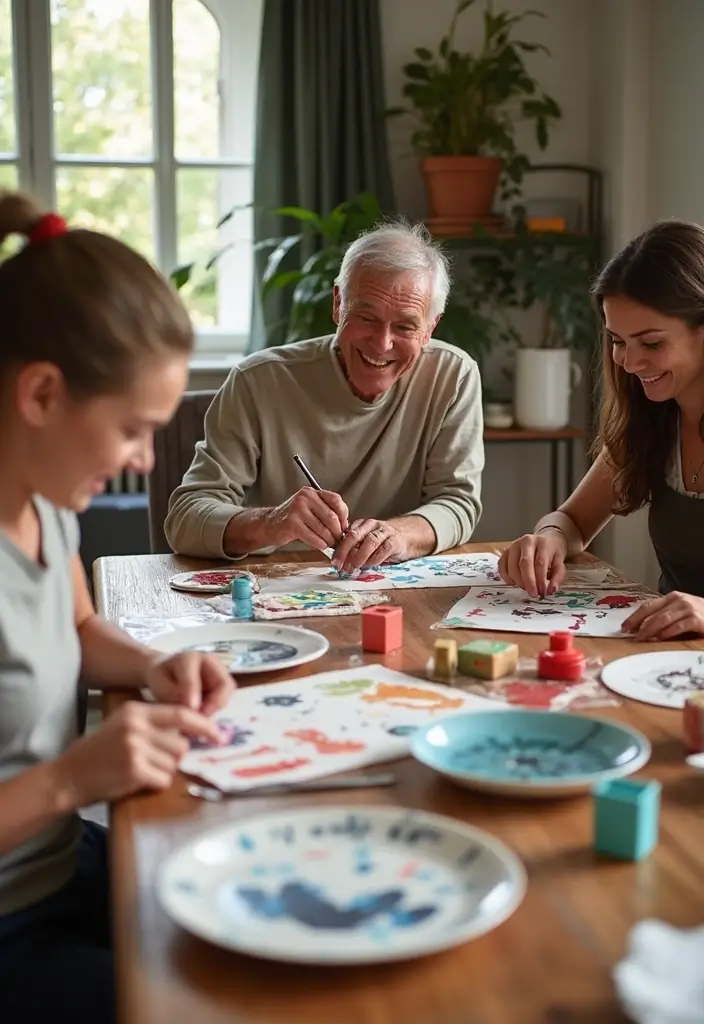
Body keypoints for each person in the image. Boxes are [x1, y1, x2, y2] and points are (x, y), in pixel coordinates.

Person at [0, 191, 236, 1024]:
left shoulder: (44, 499)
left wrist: (155, 665)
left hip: (58, 864)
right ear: (41, 394)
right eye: (135, 430)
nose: (143, 461)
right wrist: (71, 778)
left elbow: (76, 626)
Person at [164, 222, 485, 575]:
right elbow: (185, 519)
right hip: (272, 590)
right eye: (366, 317)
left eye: (405, 326)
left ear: (430, 329)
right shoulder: (258, 381)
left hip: (395, 593)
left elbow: (458, 503)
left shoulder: (453, 377)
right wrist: (271, 522)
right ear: (338, 304)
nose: (382, 344)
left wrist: (399, 535)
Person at [498, 219, 704, 641]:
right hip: (668, 661)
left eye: (650, 343)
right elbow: (572, 520)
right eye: (617, 340)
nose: (628, 363)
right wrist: (549, 539)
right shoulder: (653, 420)